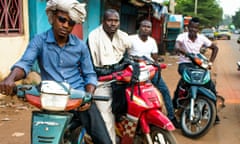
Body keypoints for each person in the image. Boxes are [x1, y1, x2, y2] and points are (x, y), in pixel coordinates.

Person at [0, 0, 112, 143]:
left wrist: (88, 95)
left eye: (71, 23)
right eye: (62, 20)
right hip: (51, 98)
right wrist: (10, 79)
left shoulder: (80, 46)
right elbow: (25, 64)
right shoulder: (39, 41)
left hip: (77, 98)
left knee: (102, 138)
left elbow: (89, 74)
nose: (65, 25)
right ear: (53, 17)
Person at [87, 9, 131, 144]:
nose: (113, 24)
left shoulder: (123, 36)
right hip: (103, 80)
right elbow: (92, 66)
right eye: (109, 20)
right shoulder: (94, 36)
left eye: (116, 21)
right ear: (103, 21)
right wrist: (113, 70)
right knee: (106, 116)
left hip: (121, 78)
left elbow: (129, 56)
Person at [128, 19, 179, 128]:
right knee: (134, 94)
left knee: (163, 90)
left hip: (150, 71)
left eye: (148, 27)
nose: (145, 28)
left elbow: (154, 57)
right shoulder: (130, 39)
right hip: (136, 72)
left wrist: (157, 63)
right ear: (139, 27)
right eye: (143, 26)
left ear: (151, 30)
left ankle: (171, 116)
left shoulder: (152, 41)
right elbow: (124, 54)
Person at [173, 17, 220, 123]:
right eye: (191, 27)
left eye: (196, 28)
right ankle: (175, 106)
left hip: (198, 65)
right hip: (184, 64)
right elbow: (176, 46)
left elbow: (215, 48)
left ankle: (214, 112)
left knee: (210, 85)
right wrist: (187, 54)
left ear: (198, 29)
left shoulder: (202, 38)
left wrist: (210, 62)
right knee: (183, 83)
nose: (193, 30)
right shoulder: (182, 37)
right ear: (188, 27)